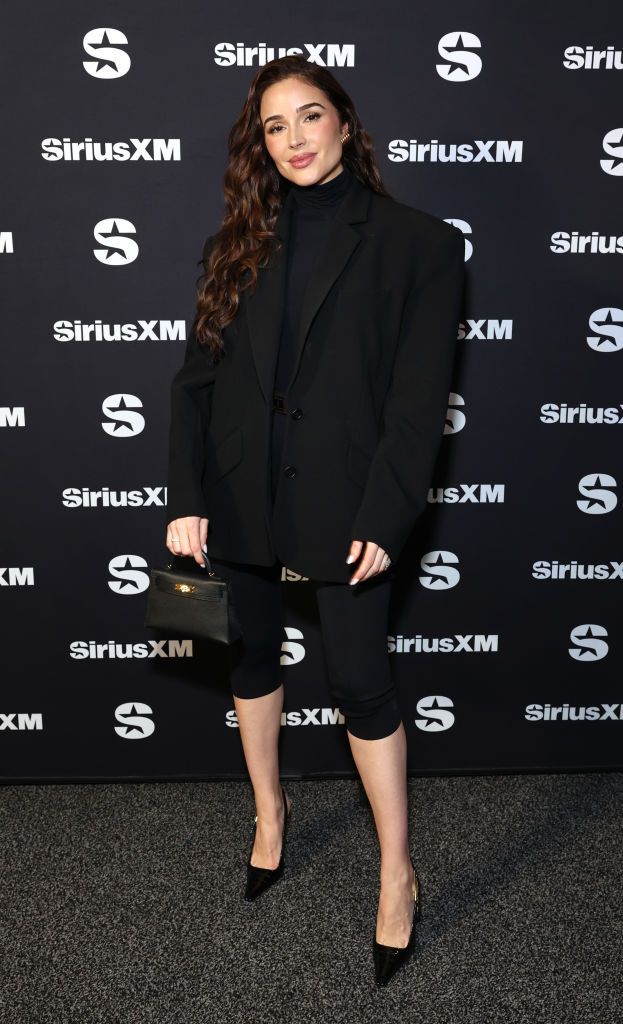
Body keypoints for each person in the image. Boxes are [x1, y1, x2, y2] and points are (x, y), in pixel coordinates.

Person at [165, 55, 464, 987]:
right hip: (241, 486)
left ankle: (396, 870)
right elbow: (194, 385)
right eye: (273, 126)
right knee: (250, 654)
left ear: (345, 123)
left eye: (309, 117)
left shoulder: (417, 242)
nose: (292, 139)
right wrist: (185, 495)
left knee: (363, 681)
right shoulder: (237, 242)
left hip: (346, 498)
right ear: (260, 143)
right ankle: (268, 813)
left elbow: (420, 400)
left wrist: (387, 508)